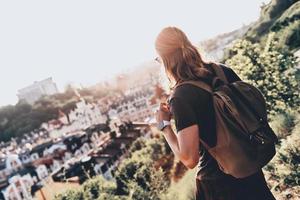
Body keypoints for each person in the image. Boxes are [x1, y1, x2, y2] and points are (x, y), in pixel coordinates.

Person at [154, 26, 276, 200]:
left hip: (218, 183)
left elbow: (189, 159)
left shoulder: (180, 97)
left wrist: (164, 126)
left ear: (165, 59)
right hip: (249, 168)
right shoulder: (222, 71)